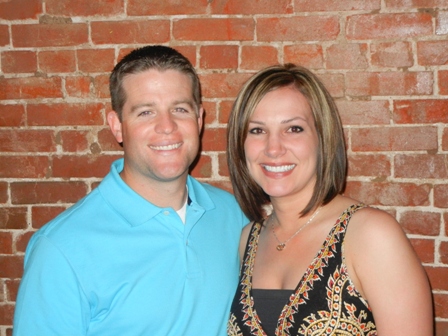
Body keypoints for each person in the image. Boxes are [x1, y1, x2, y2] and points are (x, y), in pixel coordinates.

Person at [13, 45, 247, 336]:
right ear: (117, 126)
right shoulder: (61, 249)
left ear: (198, 119)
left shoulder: (232, 217)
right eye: (146, 111)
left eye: (179, 109)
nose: (167, 126)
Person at [226, 64, 433, 335]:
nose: (273, 148)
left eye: (294, 129)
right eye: (257, 130)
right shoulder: (249, 239)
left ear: (322, 138)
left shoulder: (370, 234)